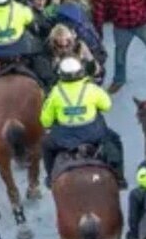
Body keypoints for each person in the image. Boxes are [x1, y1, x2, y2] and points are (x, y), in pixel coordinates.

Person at [40, 56, 125, 185]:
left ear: (61, 75)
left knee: (46, 145)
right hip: (94, 134)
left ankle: (51, 178)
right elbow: (107, 106)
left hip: (63, 138)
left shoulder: (55, 93)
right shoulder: (91, 88)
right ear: (81, 72)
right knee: (115, 140)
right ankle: (119, 178)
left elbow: (45, 121)